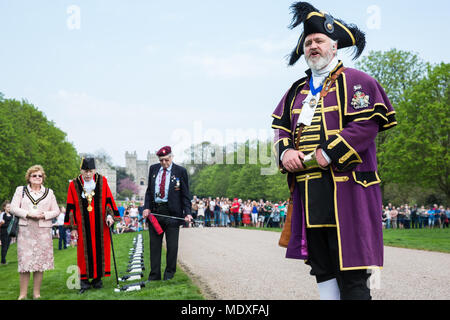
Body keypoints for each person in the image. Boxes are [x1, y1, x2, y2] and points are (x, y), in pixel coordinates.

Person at [271, 2, 397, 300]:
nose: (313, 46)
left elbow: (367, 125)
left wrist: (327, 152)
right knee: (322, 267)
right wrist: (285, 151)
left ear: (334, 46)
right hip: (309, 192)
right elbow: (281, 129)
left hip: (349, 190)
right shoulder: (295, 91)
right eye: (308, 42)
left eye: (319, 41)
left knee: (353, 273)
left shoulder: (358, 82)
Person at [64, 158, 121, 293]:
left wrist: (109, 215)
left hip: (100, 224)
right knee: (83, 253)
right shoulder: (74, 184)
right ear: (81, 170)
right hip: (83, 226)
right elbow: (70, 206)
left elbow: (108, 200)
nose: (88, 174)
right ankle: (84, 282)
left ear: (94, 170)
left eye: (90, 171)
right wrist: (73, 227)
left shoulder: (102, 181)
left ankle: (97, 280)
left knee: (100, 250)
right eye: (85, 171)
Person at [10, 165, 60, 299]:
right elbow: (13, 208)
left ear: (43, 178)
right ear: (29, 177)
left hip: (43, 231)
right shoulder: (20, 190)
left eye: (40, 176)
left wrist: (44, 214)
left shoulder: (49, 192)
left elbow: (56, 210)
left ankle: (36, 293)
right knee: (25, 263)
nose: (37, 178)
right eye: (34, 175)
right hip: (25, 231)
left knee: (40, 263)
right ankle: (22, 294)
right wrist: (28, 213)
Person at [143, 146, 192, 281]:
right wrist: (146, 207)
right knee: (154, 246)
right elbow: (149, 191)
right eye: (161, 160)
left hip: (172, 214)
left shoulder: (180, 171)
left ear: (172, 157)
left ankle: (169, 275)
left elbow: (185, 194)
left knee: (172, 246)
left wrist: (188, 212)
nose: (164, 163)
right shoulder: (153, 169)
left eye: (166, 159)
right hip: (155, 213)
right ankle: (154, 276)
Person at [0, 201, 13, 265]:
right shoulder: (2, 214)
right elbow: (0, 224)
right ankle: (3, 261)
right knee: (4, 246)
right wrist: (2, 223)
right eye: (7, 207)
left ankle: (3, 259)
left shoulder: (12, 215)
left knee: (7, 246)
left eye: (10, 207)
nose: (9, 208)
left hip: (9, 233)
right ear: (4, 207)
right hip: (3, 232)